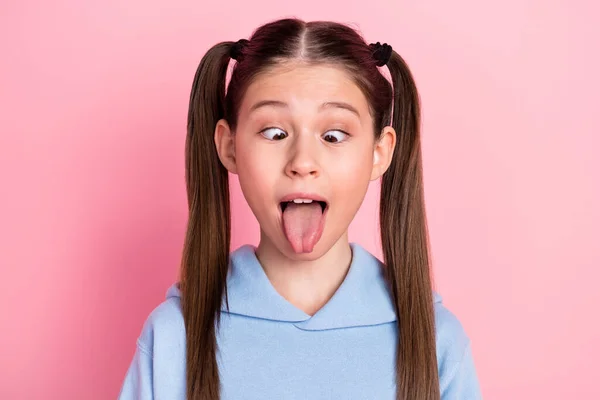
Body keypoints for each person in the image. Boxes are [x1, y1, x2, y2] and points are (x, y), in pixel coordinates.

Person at [118, 17, 481, 400]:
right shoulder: (174, 338)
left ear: (379, 152)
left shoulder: (437, 342)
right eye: (274, 133)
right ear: (228, 146)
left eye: (333, 135)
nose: (303, 161)